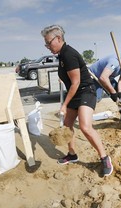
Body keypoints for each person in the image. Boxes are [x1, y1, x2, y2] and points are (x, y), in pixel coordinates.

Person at [40, 25, 113, 176]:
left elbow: (76, 82)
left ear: (58, 38)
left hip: (86, 91)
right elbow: (70, 77)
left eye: (48, 43)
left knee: (85, 127)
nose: (47, 46)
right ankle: (72, 154)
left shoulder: (69, 54)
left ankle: (105, 158)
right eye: (45, 44)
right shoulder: (61, 55)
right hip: (75, 93)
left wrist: (64, 105)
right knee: (67, 126)